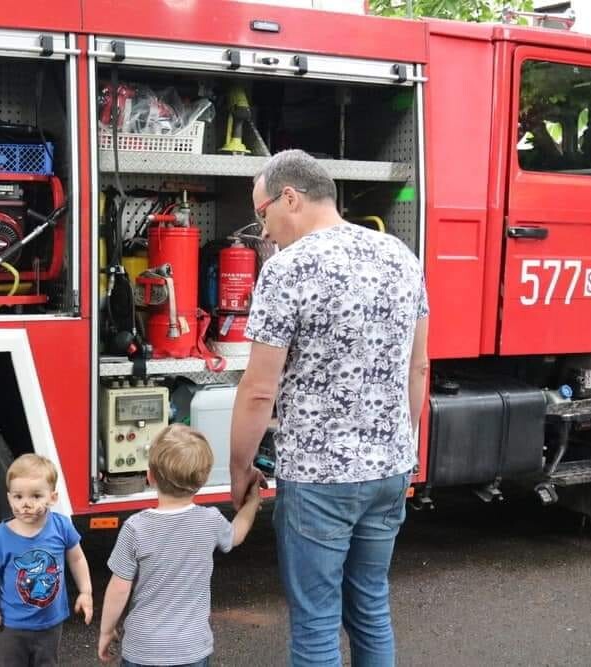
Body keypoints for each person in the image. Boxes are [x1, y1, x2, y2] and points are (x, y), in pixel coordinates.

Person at [229, 149, 429, 667]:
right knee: (371, 608)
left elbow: (258, 390)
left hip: (319, 478)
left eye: (262, 213)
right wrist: (400, 447)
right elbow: (419, 368)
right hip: (389, 468)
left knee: (316, 622)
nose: (263, 230)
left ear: (289, 198)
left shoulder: (286, 269)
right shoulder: (401, 257)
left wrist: (240, 467)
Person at [98, 424, 262, 666]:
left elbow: (119, 588)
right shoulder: (210, 521)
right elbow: (236, 534)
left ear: (150, 476)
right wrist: (252, 502)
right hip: (191, 648)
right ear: (203, 480)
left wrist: (106, 630)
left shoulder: (135, 527)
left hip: (143, 648)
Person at [0, 453, 93, 666]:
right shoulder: (1, 537)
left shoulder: (61, 527)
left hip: (50, 624)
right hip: (12, 625)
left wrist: (85, 592)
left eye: (36, 496)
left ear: (53, 498)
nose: (26, 504)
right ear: (9, 497)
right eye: (18, 497)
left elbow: (77, 559)